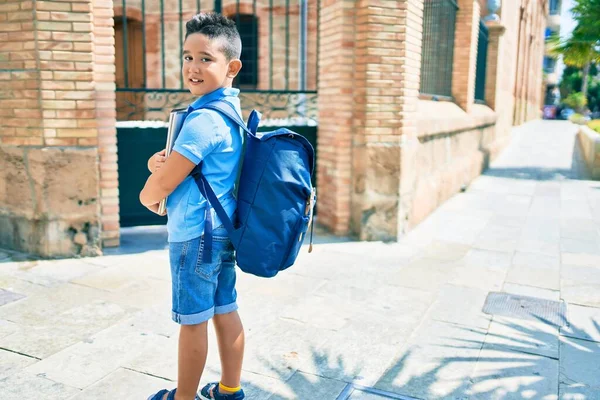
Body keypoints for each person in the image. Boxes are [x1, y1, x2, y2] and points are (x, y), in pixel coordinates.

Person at [140, 12, 246, 400]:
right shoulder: (232, 112)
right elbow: (191, 165)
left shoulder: (202, 120)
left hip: (194, 236)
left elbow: (162, 187)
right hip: (222, 228)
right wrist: (159, 164)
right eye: (187, 57)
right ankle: (229, 390)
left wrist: (147, 195)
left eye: (206, 58)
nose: (193, 68)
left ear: (231, 66)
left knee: (192, 321)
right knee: (225, 308)